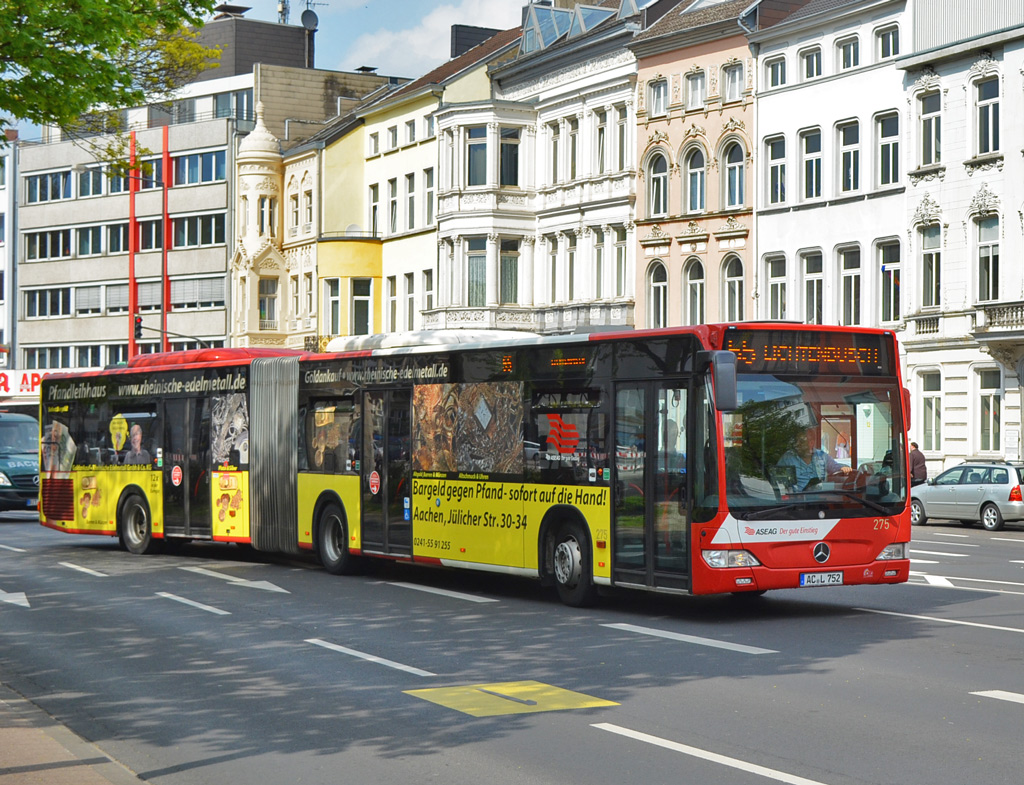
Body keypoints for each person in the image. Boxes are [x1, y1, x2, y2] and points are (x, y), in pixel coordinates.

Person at [777, 427, 853, 492]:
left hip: (818, 500)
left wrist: (843, 468)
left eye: (801, 441)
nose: (798, 444)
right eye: (797, 441)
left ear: (811, 443)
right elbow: (777, 478)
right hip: (796, 501)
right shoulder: (788, 458)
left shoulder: (822, 456)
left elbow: (835, 468)